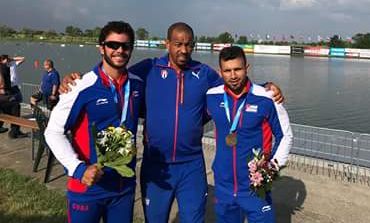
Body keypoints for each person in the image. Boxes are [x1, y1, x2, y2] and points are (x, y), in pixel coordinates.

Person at [61, 22, 284, 223]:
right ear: (167, 44)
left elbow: (235, 83)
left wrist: (266, 87)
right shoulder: (148, 69)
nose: (183, 50)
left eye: (188, 45)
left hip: (192, 166)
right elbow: (115, 74)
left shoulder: (204, 73)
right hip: (157, 165)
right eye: (178, 44)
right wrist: (76, 79)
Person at [45, 21, 145, 223]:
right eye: (113, 45)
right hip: (88, 187)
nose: (119, 50)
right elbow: (53, 131)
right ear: (101, 48)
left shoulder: (138, 84)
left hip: (123, 188)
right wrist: (78, 169)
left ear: (131, 49)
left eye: (125, 46)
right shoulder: (80, 86)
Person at [206, 46, 293, 223]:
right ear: (220, 72)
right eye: (227, 71)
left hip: (254, 186)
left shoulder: (268, 98)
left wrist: (271, 168)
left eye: (238, 69)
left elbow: (285, 136)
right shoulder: (211, 96)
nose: (233, 76)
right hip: (224, 186)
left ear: (247, 68)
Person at [0, 55, 28, 138]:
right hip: (6, 91)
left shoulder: (11, 64)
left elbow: (23, 58)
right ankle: (14, 131)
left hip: (11, 89)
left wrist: (11, 59)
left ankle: (13, 130)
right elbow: (2, 80)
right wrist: (2, 88)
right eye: (6, 59)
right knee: (15, 106)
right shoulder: (3, 68)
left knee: (7, 107)